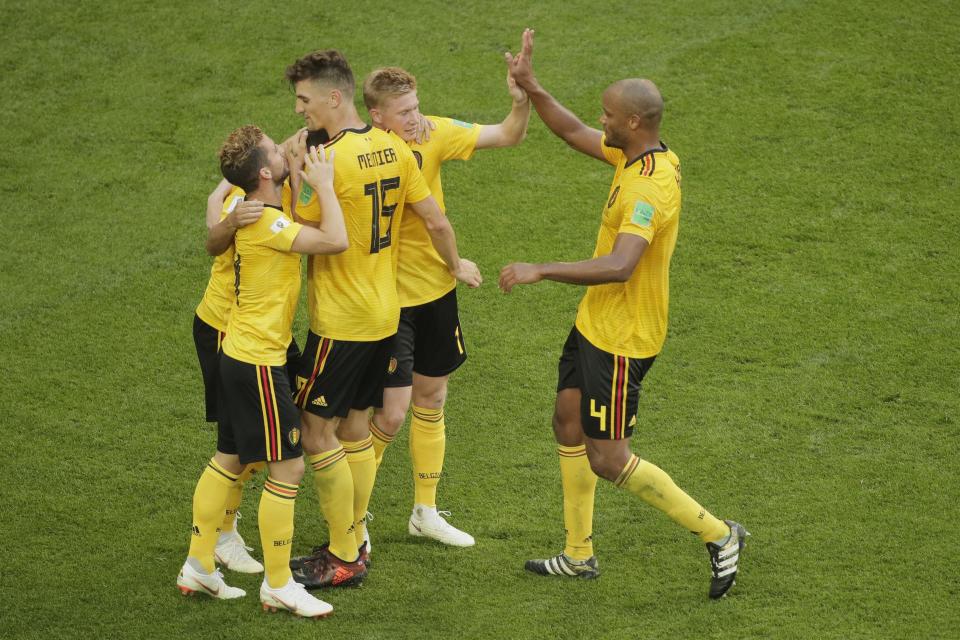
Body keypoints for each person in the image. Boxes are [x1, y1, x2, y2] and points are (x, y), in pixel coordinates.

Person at [500, 29, 749, 599]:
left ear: (634, 122)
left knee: (609, 458)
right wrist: (532, 85)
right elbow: (569, 130)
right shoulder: (639, 152)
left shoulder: (649, 189)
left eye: (609, 115)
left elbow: (620, 266)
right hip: (595, 324)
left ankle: (719, 534)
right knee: (567, 422)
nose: (602, 121)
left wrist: (541, 269)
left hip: (624, 339)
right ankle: (578, 555)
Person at [281, 50, 482, 589]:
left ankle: (346, 548)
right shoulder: (394, 147)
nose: (298, 109)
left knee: (315, 431)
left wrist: (298, 170)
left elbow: (295, 224)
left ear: (333, 96)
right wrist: (455, 264)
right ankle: (352, 542)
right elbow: (436, 220)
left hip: (341, 317)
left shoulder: (329, 159)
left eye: (303, 99)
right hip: (386, 312)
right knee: (354, 429)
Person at [177, 125, 348, 618]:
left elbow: (223, 223)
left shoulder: (246, 208)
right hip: (257, 360)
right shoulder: (267, 224)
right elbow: (334, 239)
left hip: (239, 351)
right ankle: (278, 584)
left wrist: (295, 172)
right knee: (288, 466)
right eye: (277, 149)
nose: (285, 147)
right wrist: (327, 183)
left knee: (231, 455)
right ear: (266, 172)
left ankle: (199, 564)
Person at [360, 64, 530, 547]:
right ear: (376, 115)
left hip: (435, 296)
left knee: (432, 400)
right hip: (388, 303)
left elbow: (508, 135)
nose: (416, 118)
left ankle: (425, 511)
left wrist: (519, 100)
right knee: (390, 416)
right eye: (404, 112)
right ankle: (352, 519)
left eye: (416, 107)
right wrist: (457, 263)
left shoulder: (433, 134)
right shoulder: (363, 150)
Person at [192, 181, 266, 574]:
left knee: (267, 436)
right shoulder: (247, 201)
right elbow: (214, 237)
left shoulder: (250, 191)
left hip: (260, 333)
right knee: (235, 442)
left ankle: (222, 533)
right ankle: (219, 537)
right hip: (227, 328)